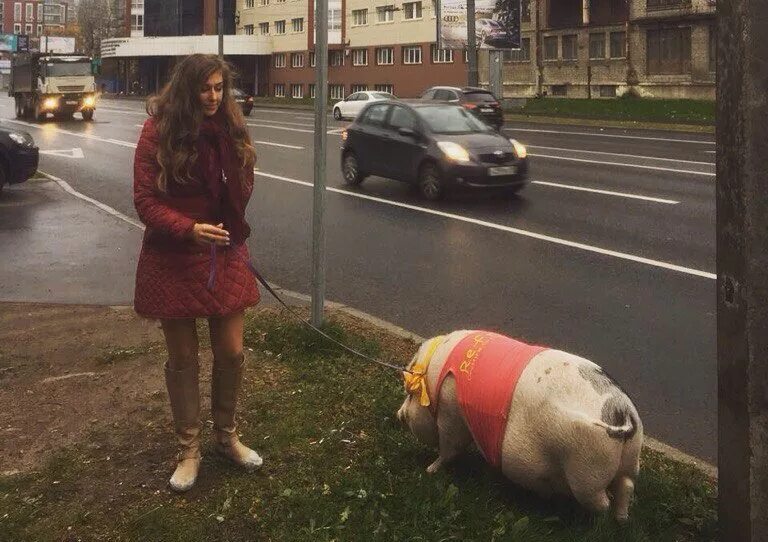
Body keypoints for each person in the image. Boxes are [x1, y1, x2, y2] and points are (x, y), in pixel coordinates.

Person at [133, 54, 262, 492]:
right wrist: (187, 229)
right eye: (204, 88)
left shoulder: (230, 128)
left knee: (230, 351)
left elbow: (243, 184)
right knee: (183, 359)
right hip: (173, 256)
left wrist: (239, 177)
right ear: (187, 89)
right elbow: (144, 201)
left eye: (219, 88)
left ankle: (226, 437)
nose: (213, 97)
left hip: (222, 250)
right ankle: (189, 450)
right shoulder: (158, 131)